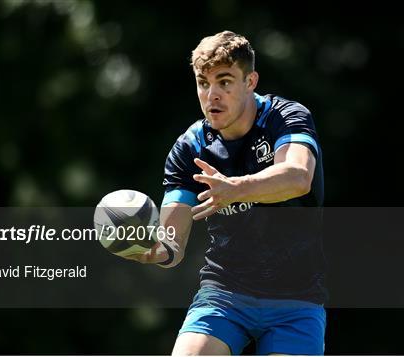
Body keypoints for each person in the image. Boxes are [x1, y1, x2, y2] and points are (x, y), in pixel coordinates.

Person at [125, 30, 327, 355]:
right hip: (225, 294)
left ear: (250, 82)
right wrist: (150, 250)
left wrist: (235, 189)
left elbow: (298, 176)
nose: (212, 95)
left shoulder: (285, 117)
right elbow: (171, 243)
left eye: (225, 81)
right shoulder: (191, 147)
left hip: (296, 300)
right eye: (203, 83)